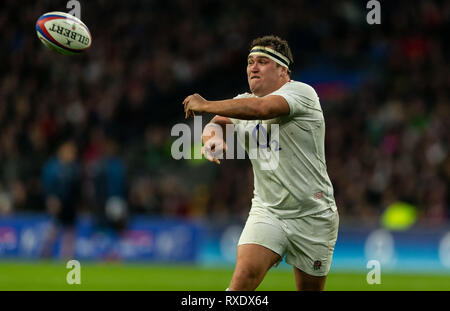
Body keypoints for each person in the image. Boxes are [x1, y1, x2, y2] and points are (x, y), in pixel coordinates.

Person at [182, 35, 339, 291]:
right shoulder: (243, 101)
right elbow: (218, 123)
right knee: (243, 279)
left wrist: (206, 105)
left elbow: (262, 109)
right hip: (268, 211)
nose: (253, 67)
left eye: (263, 61)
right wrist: (214, 138)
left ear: (283, 70)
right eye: (250, 61)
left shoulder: (302, 93)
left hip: (314, 214)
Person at [41, 139, 81, 259]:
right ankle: (45, 253)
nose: (71, 154)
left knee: (69, 230)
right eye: (69, 151)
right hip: (57, 203)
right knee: (53, 228)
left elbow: (77, 188)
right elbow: (47, 184)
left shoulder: (74, 168)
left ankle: (67, 256)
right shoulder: (52, 167)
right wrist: (51, 199)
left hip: (70, 204)